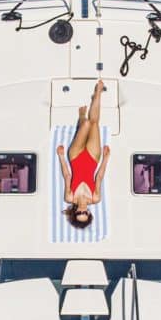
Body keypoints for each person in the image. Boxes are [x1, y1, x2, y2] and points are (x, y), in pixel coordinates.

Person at [56, 79, 111, 229]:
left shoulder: (69, 197)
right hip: (93, 159)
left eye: (79, 213)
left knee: (86, 123)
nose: (82, 211)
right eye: (85, 214)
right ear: (88, 213)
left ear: (75, 213)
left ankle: (81, 117)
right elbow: (99, 177)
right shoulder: (95, 198)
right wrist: (106, 158)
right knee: (93, 123)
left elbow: (67, 176)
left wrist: (61, 156)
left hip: (75, 157)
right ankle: (98, 91)